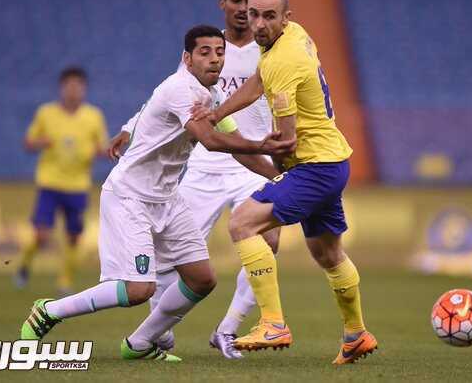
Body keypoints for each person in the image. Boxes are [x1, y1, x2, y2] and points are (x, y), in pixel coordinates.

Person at [20, 25, 295, 364]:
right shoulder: (181, 89)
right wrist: (261, 143)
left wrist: (281, 176)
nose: (214, 59)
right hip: (129, 196)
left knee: (201, 279)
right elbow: (210, 140)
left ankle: (140, 343)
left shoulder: (214, 96)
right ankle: (49, 310)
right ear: (187, 58)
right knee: (138, 290)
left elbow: (239, 152)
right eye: (205, 52)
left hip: (166, 198)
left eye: (219, 52)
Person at [192, 0, 378, 365]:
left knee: (243, 223)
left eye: (268, 16)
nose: (258, 23)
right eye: (254, 14)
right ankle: (356, 333)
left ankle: (273, 322)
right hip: (332, 161)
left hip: (313, 166)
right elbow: (258, 81)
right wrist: (218, 112)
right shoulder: (291, 37)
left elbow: (286, 142)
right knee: (327, 253)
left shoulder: (284, 60)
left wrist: (235, 144)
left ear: (285, 17)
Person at [108, 0, 279, 359]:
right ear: (224, 4)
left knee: (268, 239)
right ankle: (158, 332)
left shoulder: (270, 50)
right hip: (204, 160)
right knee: (170, 260)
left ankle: (228, 329)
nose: (243, 10)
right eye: (236, 1)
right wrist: (129, 128)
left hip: (251, 161)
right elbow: (167, 96)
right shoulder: (206, 48)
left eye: (251, 5)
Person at [16, 67, 108, 295]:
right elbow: (28, 142)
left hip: (78, 186)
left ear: (84, 89)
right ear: (62, 88)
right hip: (50, 183)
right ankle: (24, 265)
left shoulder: (93, 116)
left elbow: (102, 146)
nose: (73, 91)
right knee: (41, 234)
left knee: (74, 236)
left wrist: (104, 151)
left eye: (78, 86)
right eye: (69, 86)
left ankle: (65, 281)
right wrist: (40, 142)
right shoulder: (46, 113)